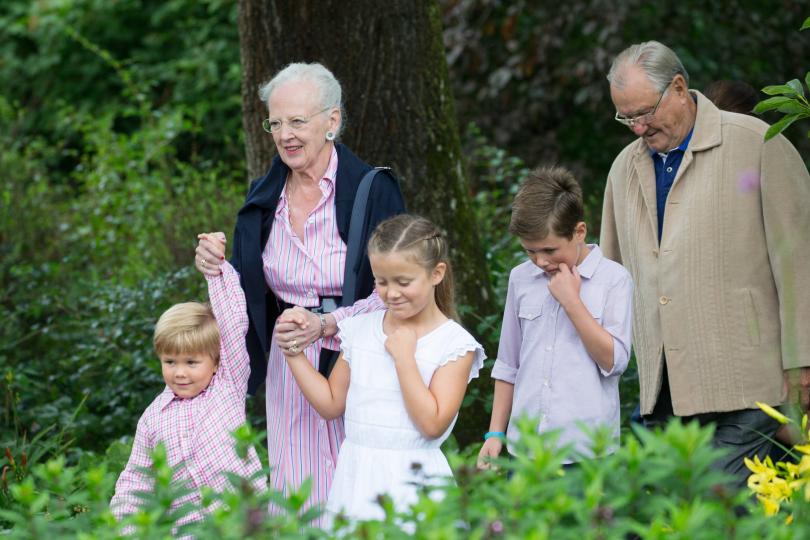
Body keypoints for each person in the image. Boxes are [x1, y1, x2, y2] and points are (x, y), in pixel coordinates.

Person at [194, 62, 405, 520]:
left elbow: (399, 292)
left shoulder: (373, 190)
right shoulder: (263, 199)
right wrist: (216, 267)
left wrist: (328, 323)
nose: (285, 134)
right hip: (290, 365)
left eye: (298, 121)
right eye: (275, 122)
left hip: (363, 358)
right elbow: (251, 290)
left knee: (363, 495)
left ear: (332, 121)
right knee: (298, 497)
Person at [601, 41, 810, 488]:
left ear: (679, 87)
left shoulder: (759, 144)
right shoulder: (622, 170)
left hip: (750, 387)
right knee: (658, 519)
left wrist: (802, 361)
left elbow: (800, 265)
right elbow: (610, 276)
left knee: (719, 510)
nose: (637, 128)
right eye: (625, 118)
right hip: (662, 393)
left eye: (644, 112)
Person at [279, 214, 485, 525]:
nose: (391, 293)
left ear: (436, 273)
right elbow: (331, 403)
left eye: (404, 282)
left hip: (416, 484)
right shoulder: (360, 329)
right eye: (381, 281)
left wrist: (405, 359)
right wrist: (293, 352)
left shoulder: (454, 344)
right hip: (356, 478)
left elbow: (432, 425)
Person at [477, 166, 633, 469]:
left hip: (587, 454)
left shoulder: (614, 280)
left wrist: (572, 302)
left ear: (579, 232)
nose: (540, 261)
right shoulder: (521, 278)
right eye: (529, 251)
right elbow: (509, 364)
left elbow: (614, 362)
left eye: (549, 249)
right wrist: (496, 432)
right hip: (525, 452)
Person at [110, 253, 265, 527]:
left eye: (192, 362)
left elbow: (231, 322)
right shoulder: (153, 416)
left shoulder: (227, 386)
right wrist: (123, 527)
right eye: (170, 362)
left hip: (242, 524)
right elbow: (137, 479)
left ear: (216, 362)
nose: (179, 372)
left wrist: (215, 271)